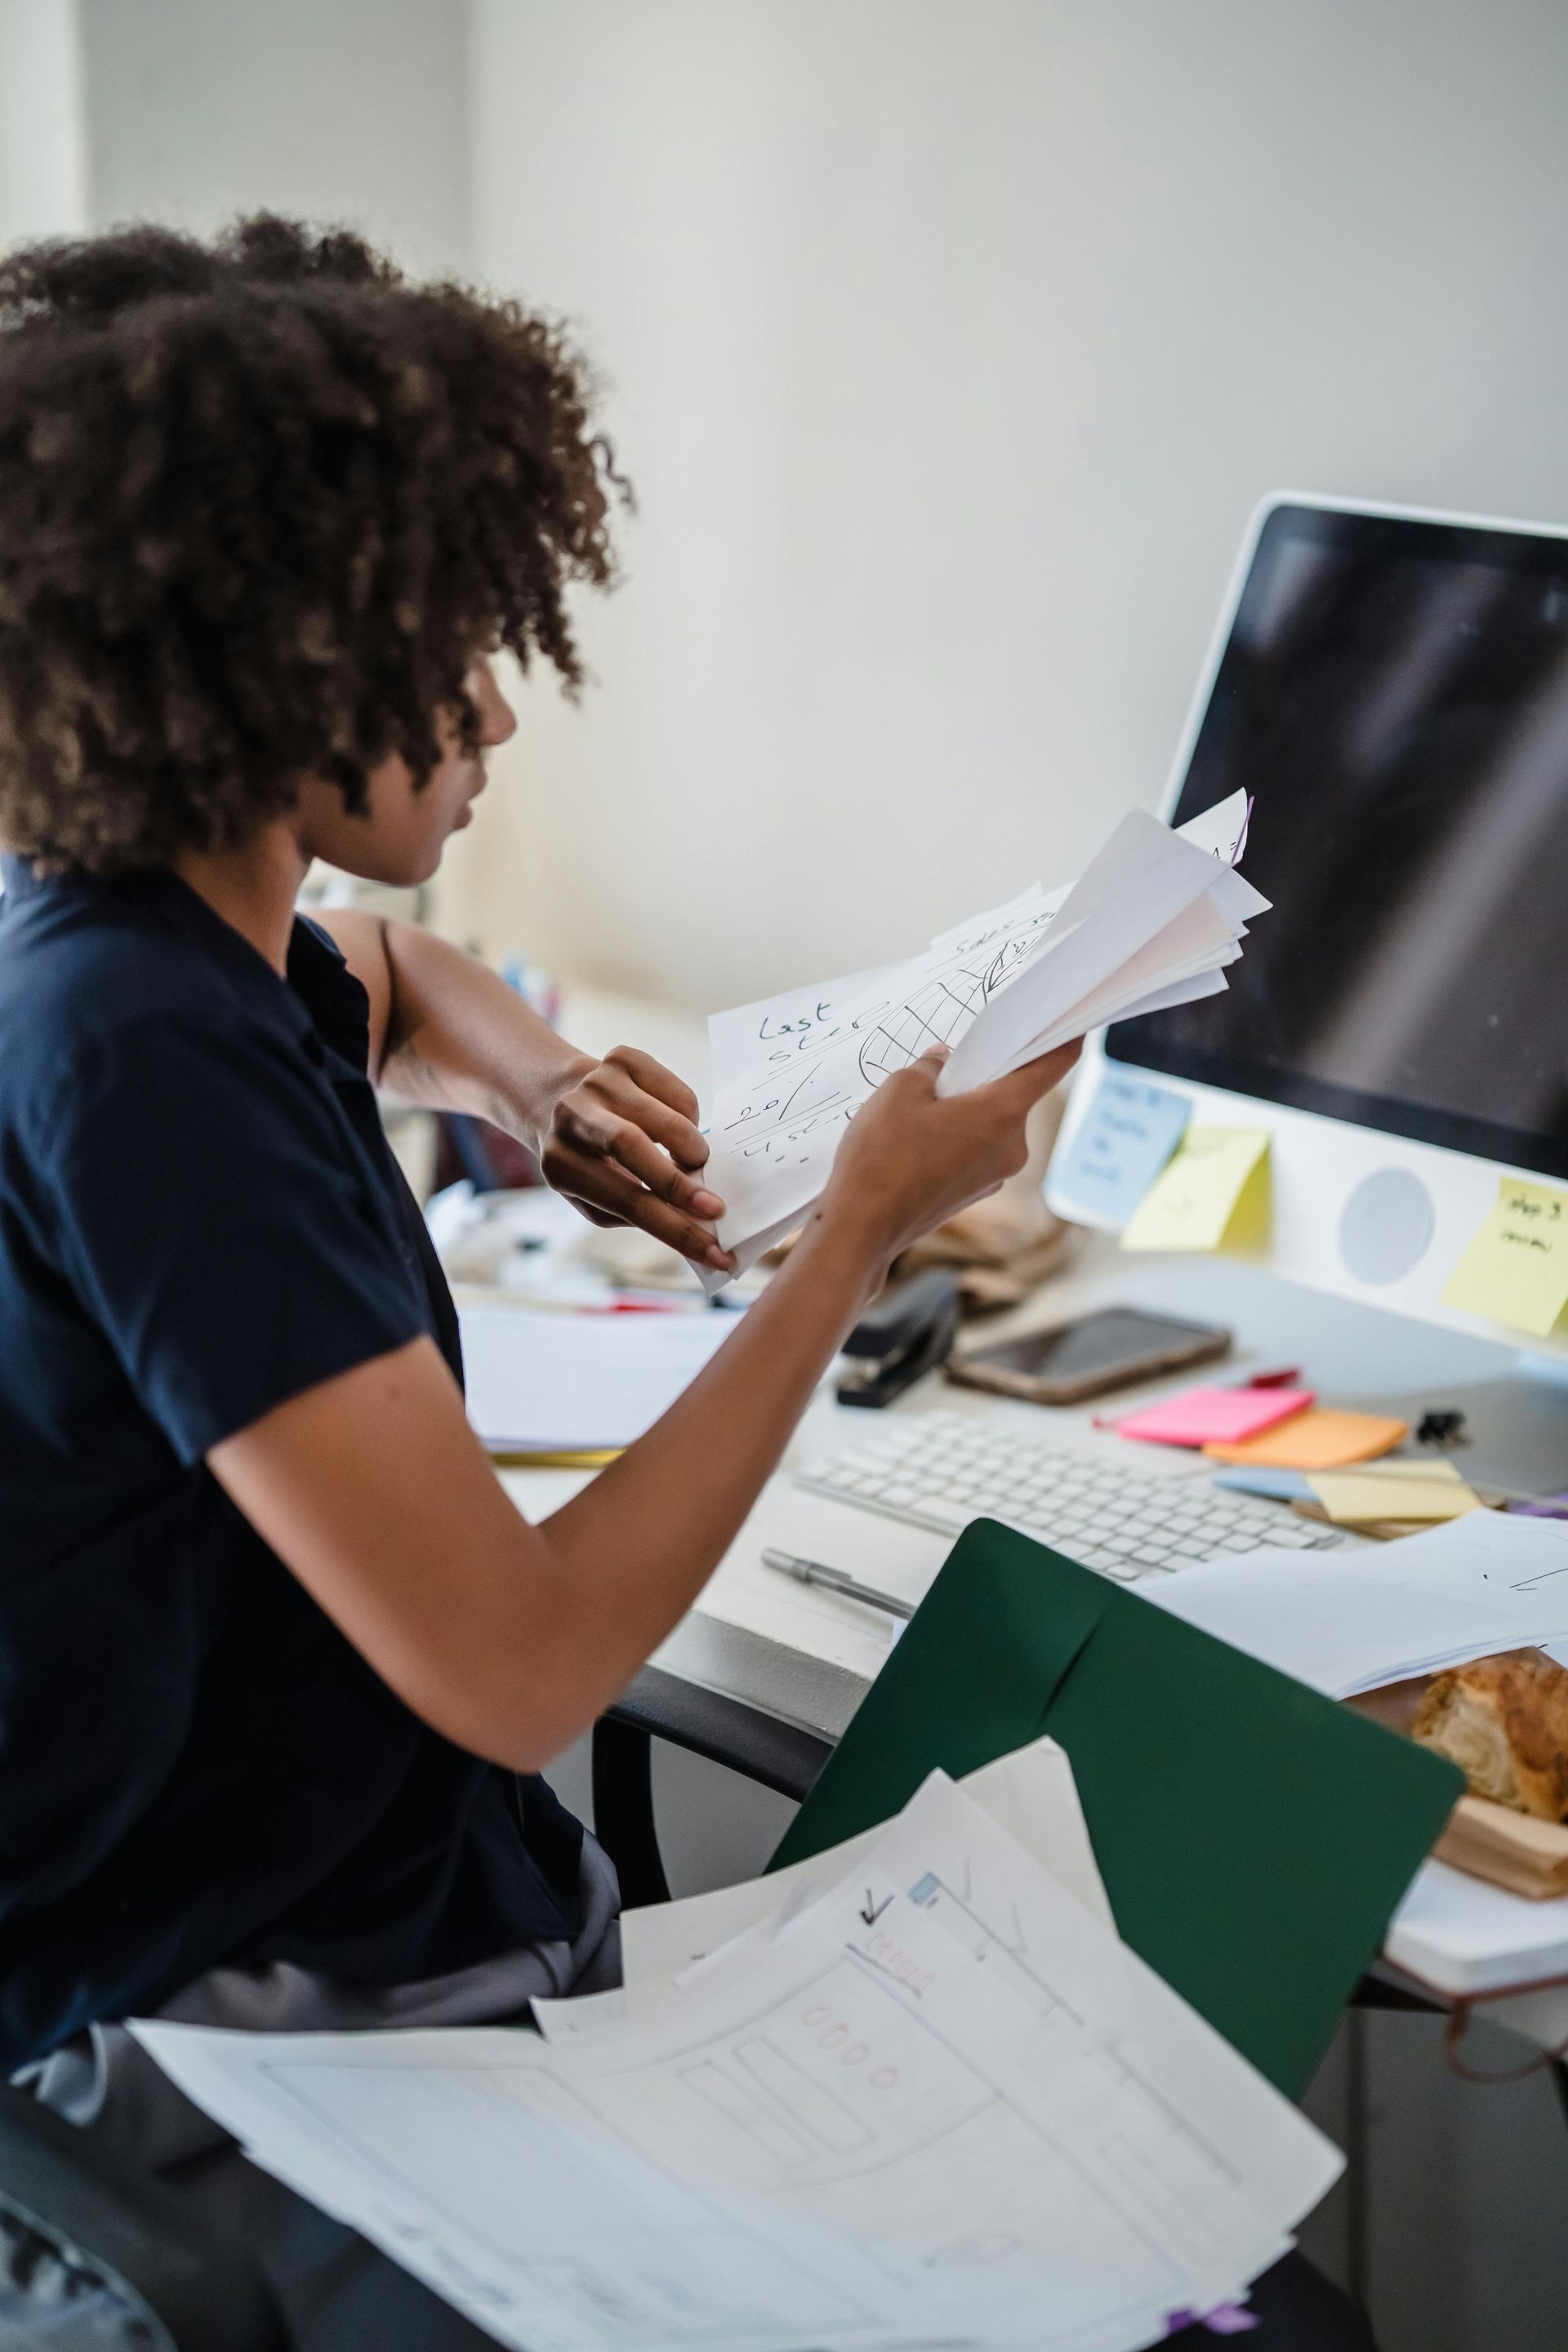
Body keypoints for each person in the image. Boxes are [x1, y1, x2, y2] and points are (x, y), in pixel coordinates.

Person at [0, 217, 1373, 2352]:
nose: (488, 712)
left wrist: (545, 1086)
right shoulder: (139, 1056)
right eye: (437, 656)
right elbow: (527, 1673)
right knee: (1250, 2311)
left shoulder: (153, 933)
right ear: (255, 672)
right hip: (274, 2048)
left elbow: (393, 975)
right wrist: (852, 1239)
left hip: (417, 1947)